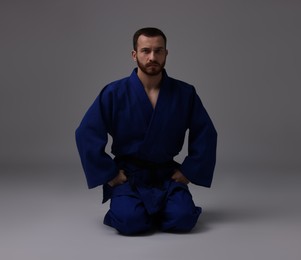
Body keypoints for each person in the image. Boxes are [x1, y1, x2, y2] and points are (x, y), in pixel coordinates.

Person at [75, 27, 217, 235]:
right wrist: (110, 174)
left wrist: (188, 171)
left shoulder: (185, 93)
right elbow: (86, 132)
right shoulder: (114, 92)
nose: (153, 57)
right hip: (129, 176)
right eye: (146, 51)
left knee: (183, 219)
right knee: (130, 223)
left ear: (166, 53)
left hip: (167, 175)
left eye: (159, 51)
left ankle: (161, 207)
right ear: (135, 55)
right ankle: (137, 208)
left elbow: (206, 133)